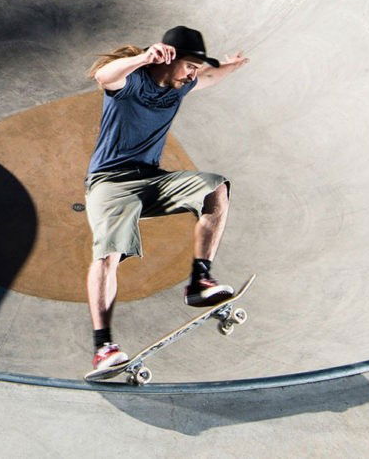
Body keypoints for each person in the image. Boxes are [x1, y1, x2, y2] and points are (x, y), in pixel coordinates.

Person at [83, 25, 250, 377]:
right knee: (109, 253)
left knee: (215, 188)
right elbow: (103, 76)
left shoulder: (181, 86)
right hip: (109, 184)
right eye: (189, 66)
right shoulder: (131, 83)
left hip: (151, 180)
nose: (193, 74)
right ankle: (103, 347)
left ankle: (199, 281)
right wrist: (143, 57)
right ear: (169, 58)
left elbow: (210, 76)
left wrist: (233, 65)